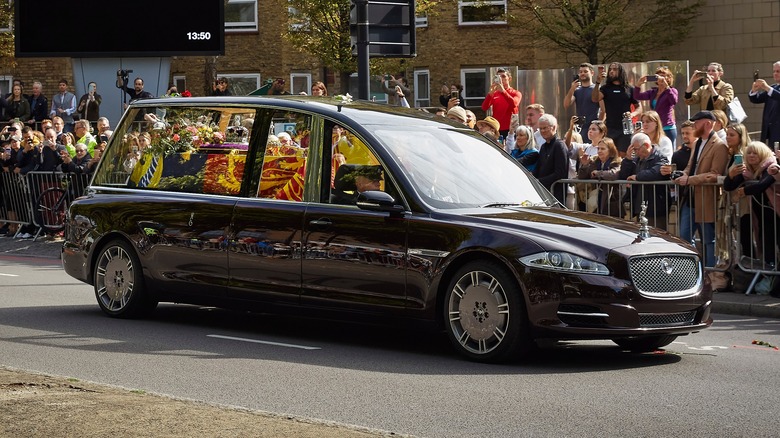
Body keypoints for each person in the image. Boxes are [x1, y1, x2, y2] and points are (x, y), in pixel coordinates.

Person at [673, 111, 730, 270]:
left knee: (708, 239)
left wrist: (689, 179)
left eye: (697, 123)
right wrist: (682, 174)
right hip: (690, 198)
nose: (694, 125)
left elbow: (714, 174)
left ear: (707, 124)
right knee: (684, 237)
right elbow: (691, 167)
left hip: (706, 199)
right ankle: (688, 270)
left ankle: (710, 271)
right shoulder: (697, 143)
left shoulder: (719, 145)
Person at [723, 141, 780, 270]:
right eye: (749, 153)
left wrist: (744, 191)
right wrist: (731, 175)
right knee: (766, 245)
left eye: (755, 153)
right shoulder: (747, 171)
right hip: (762, 215)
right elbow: (728, 187)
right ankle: (769, 277)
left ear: (763, 154)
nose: (751, 155)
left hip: (775, 212)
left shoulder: (772, 166)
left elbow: (762, 185)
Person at [619, 133, 671, 229]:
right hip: (639, 206)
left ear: (646, 145)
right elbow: (623, 175)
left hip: (655, 207)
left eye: (636, 149)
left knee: (656, 236)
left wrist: (637, 177)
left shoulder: (660, 157)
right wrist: (628, 159)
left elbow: (655, 172)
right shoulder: (636, 159)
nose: (635, 152)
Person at [592, 62, 641, 155]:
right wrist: (598, 82)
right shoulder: (605, 88)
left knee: (623, 154)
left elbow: (639, 108)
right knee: (610, 154)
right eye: (610, 69)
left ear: (621, 72)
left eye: (614, 69)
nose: (611, 71)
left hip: (625, 129)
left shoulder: (629, 89)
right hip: (610, 127)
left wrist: (632, 114)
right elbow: (594, 98)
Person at [633, 66, 679, 145]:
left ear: (668, 78)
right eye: (658, 76)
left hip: (667, 127)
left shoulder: (672, 90)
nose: (661, 78)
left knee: (668, 150)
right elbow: (637, 96)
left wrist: (666, 86)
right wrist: (638, 84)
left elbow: (673, 101)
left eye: (663, 76)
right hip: (655, 127)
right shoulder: (653, 92)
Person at [577, 137, 622, 217]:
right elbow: (582, 176)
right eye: (598, 149)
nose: (599, 151)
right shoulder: (595, 161)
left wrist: (598, 173)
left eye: (603, 149)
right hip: (597, 198)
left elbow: (613, 174)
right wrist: (585, 165)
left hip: (612, 200)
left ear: (610, 150)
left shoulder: (616, 162)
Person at [532, 114, 569, 205]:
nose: (542, 131)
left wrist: (540, 181)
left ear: (554, 127)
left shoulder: (559, 145)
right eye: (540, 129)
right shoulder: (544, 147)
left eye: (545, 128)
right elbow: (539, 166)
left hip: (555, 194)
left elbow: (560, 173)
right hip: (543, 193)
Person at [481, 68, 522, 137]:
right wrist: (490, 94)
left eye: (503, 76)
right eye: (498, 77)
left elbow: (514, 104)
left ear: (509, 78)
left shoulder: (516, 93)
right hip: (496, 128)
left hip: (510, 129)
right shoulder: (495, 93)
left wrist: (503, 91)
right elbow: (484, 107)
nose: (501, 79)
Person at [563, 63, 603, 131]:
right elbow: (566, 105)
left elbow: (603, 110)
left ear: (592, 73)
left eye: (585, 71)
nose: (582, 73)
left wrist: (599, 125)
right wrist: (572, 89)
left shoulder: (597, 89)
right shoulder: (576, 90)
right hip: (580, 127)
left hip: (593, 126)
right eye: (580, 72)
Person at [749, 61, 780, 146]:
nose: (775, 74)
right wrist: (754, 90)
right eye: (774, 71)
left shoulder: (770, 89)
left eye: (778, 71)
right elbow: (756, 99)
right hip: (770, 130)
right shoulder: (773, 87)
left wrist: (766, 87)